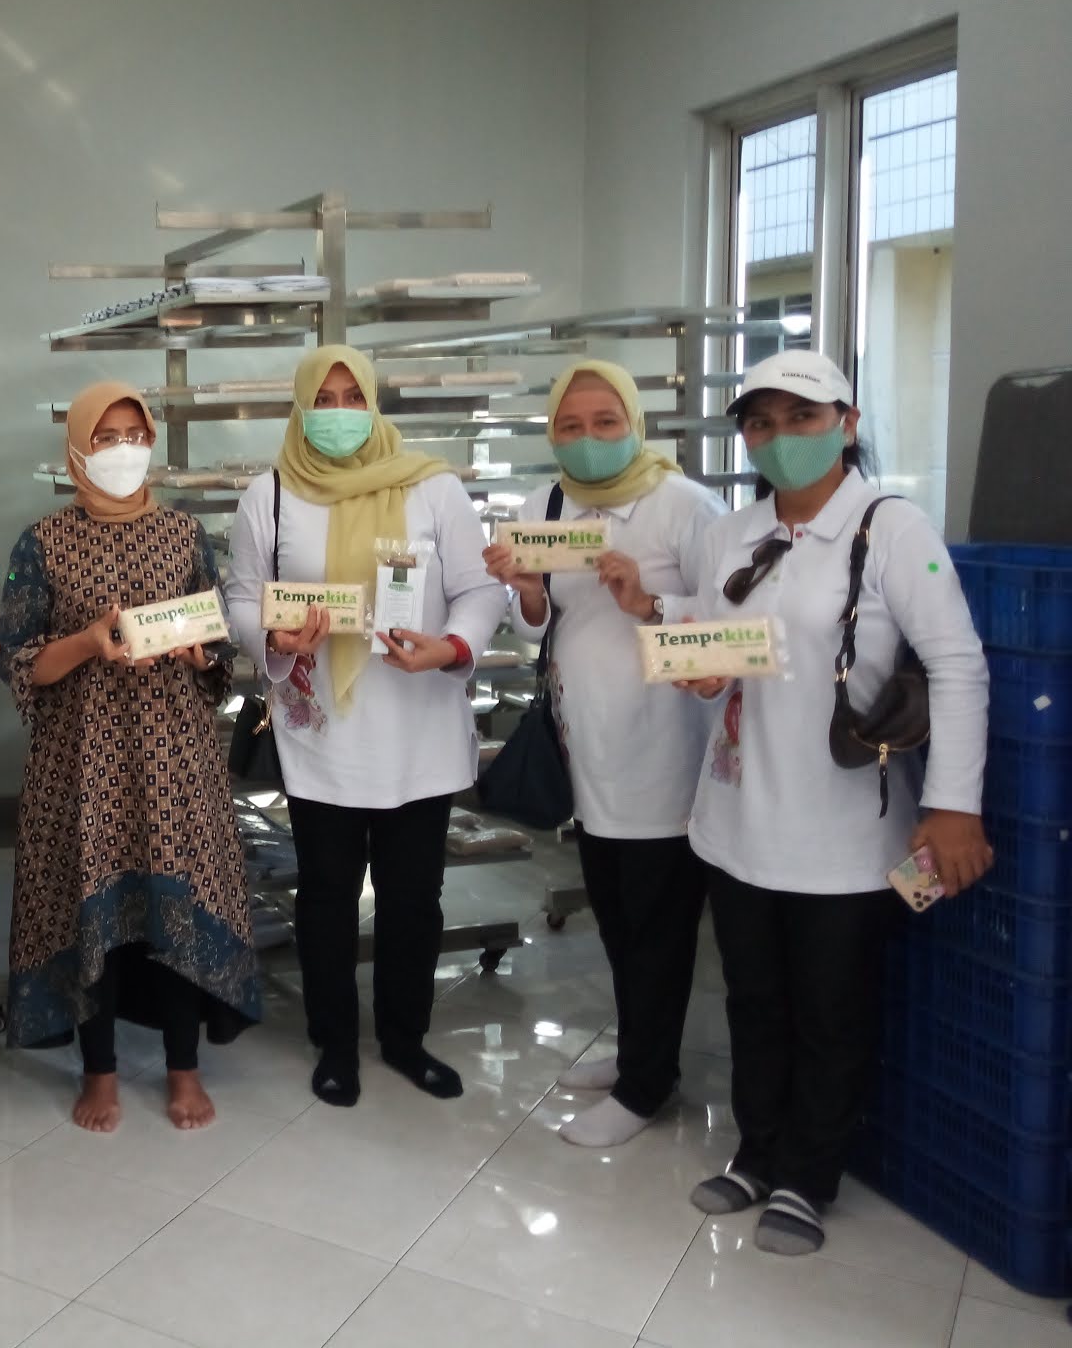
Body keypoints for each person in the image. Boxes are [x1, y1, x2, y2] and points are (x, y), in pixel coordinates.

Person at [674, 349, 990, 1256]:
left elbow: (958, 666)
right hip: (737, 815)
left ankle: (808, 1177)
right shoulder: (732, 534)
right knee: (753, 998)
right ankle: (756, 1151)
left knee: (830, 1011)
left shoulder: (891, 529)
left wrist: (954, 805)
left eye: (802, 419)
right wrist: (698, 670)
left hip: (845, 828)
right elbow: (710, 642)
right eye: (761, 423)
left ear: (846, 425)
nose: (780, 438)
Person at [223, 345, 507, 1108]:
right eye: (325, 398)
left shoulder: (432, 488)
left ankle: (406, 1037)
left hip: (420, 730)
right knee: (327, 895)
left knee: (414, 898)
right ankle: (336, 1042)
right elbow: (242, 599)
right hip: (323, 734)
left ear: (375, 403)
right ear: (301, 406)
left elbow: (481, 589)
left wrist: (453, 646)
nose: (340, 413)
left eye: (354, 397)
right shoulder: (271, 494)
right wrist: (274, 638)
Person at [0, 381, 261, 1133]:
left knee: (175, 907)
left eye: (134, 436)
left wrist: (196, 651)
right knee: (95, 910)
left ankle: (183, 1067)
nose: (123, 451)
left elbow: (216, 652)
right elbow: (18, 660)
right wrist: (88, 642)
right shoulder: (43, 542)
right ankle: (101, 1071)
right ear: (77, 450)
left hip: (175, 759)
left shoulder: (184, 535)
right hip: (82, 763)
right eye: (105, 437)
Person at [482, 360, 726, 1147]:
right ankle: (637, 1054)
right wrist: (523, 588)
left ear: (635, 423)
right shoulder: (547, 505)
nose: (587, 439)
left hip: (666, 757)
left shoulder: (686, 508)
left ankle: (647, 1086)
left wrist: (649, 603)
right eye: (570, 426)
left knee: (658, 930)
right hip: (586, 752)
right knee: (617, 921)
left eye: (605, 422)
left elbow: (729, 627)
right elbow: (536, 620)